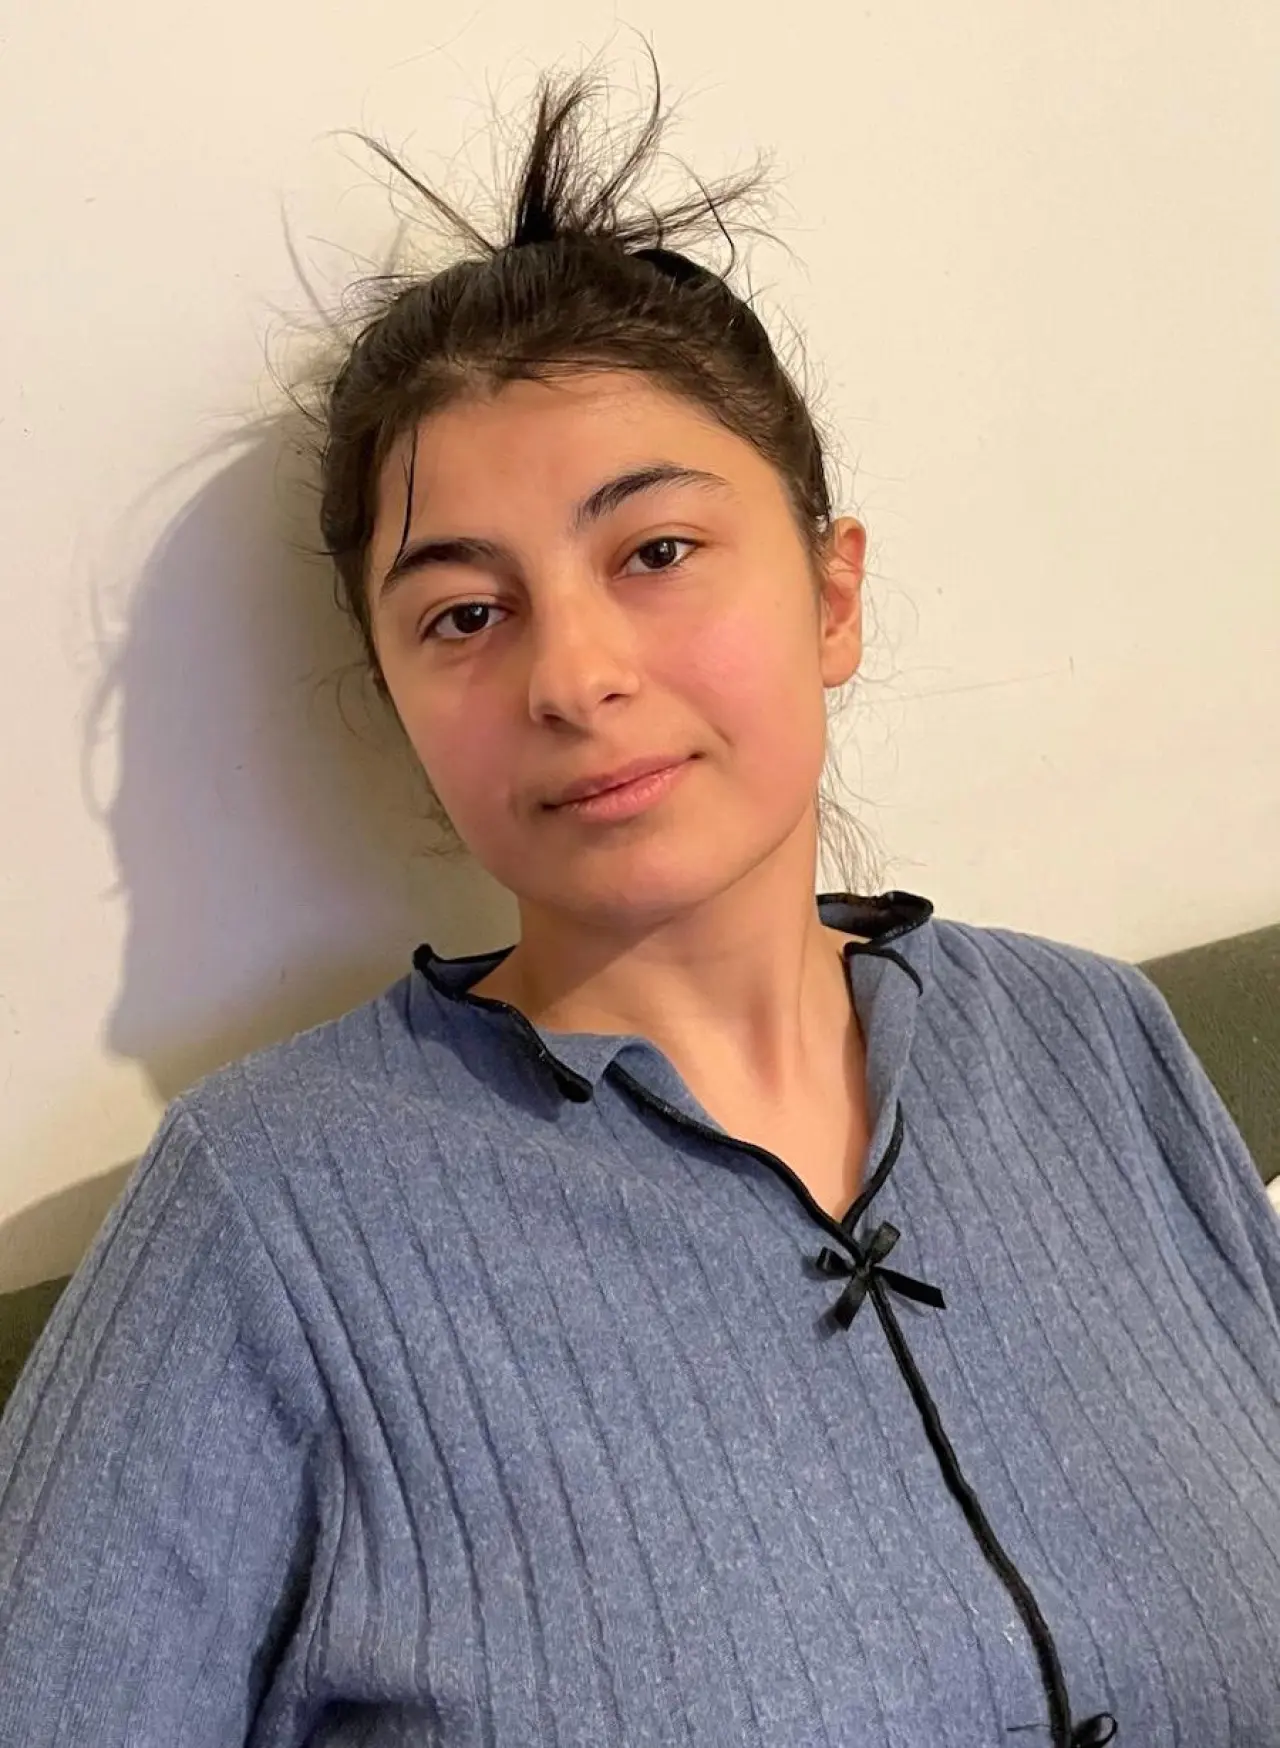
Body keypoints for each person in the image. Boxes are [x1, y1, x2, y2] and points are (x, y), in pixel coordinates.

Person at [1, 44, 1277, 1748]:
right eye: (464, 615)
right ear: (398, 702)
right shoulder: (265, 1213)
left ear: (833, 596)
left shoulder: (1094, 1042)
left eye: (656, 552)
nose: (574, 675)